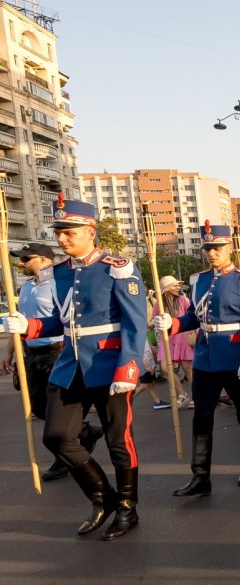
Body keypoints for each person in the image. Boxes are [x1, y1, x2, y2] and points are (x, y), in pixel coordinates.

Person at [2, 197, 146, 540]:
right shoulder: (59, 273)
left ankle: (128, 508)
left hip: (110, 364)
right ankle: (103, 498)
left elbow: (135, 322)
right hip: (70, 365)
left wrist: (129, 368)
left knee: (117, 442)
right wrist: (29, 327)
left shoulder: (118, 266)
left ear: (90, 231)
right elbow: (63, 321)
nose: (62, 238)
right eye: (59, 232)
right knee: (56, 436)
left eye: (69, 232)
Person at [155, 221, 240, 495]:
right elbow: (195, 315)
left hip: (237, 358)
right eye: (208, 248)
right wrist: (173, 323)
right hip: (205, 358)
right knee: (202, 416)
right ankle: (200, 477)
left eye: (217, 247)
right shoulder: (199, 280)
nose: (212, 253)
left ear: (229, 246)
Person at [2, 241, 105, 481]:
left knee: (54, 406)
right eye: (21, 258)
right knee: (37, 407)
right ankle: (86, 432)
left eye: (27, 258)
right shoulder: (26, 287)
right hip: (32, 351)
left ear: (45, 260)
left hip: (56, 350)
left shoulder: (58, 284)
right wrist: (9, 351)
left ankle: (64, 456)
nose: (22, 263)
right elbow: (22, 322)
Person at [156, 276, 194, 409]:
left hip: (182, 339)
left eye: (178, 285)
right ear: (166, 289)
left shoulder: (183, 300)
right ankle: (182, 394)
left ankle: (196, 397)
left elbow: (192, 318)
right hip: (167, 340)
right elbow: (154, 320)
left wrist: (194, 334)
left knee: (188, 370)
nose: (178, 287)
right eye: (174, 285)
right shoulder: (159, 304)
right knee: (166, 369)